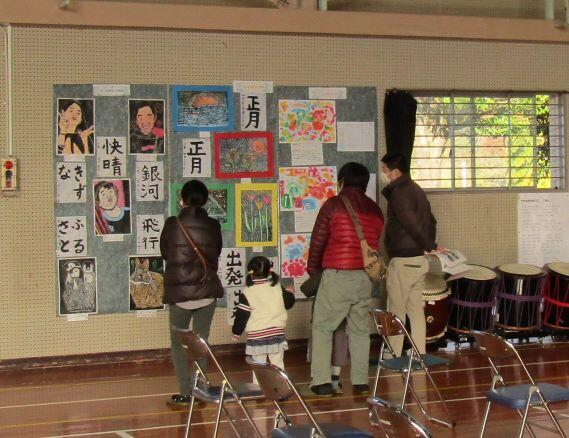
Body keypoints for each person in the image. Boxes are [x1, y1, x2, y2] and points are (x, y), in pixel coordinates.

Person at [307, 162, 384, 397]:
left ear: (341, 181)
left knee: (323, 326)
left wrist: (313, 270)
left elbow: (318, 239)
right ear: (365, 184)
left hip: (338, 275)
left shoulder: (333, 205)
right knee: (360, 330)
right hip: (364, 277)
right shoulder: (375, 210)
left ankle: (321, 382)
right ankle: (360, 383)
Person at [160, 180, 223, 407]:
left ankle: (185, 393)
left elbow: (166, 253)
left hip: (180, 294)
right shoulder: (213, 225)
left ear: (182, 200)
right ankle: (200, 389)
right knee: (201, 342)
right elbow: (216, 252)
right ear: (205, 200)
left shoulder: (172, 224)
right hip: (207, 292)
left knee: (179, 344)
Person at [380, 152, 439, 357]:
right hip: (418, 260)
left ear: (395, 171)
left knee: (396, 309)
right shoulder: (415, 189)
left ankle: (394, 354)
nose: (383, 173)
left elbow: (410, 223)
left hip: (403, 261)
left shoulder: (400, 193)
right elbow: (431, 221)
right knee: (415, 310)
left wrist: (430, 245)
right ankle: (419, 353)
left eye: (384, 169)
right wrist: (427, 246)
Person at [232, 256, 295, 384]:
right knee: (278, 364)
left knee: (258, 366)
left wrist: (236, 333)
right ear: (269, 270)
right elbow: (288, 304)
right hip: (276, 334)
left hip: (256, 337)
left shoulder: (247, 293)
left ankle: (258, 389)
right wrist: (290, 293)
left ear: (250, 272)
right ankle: (281, 388)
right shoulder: (278, 287)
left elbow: (241, 316)